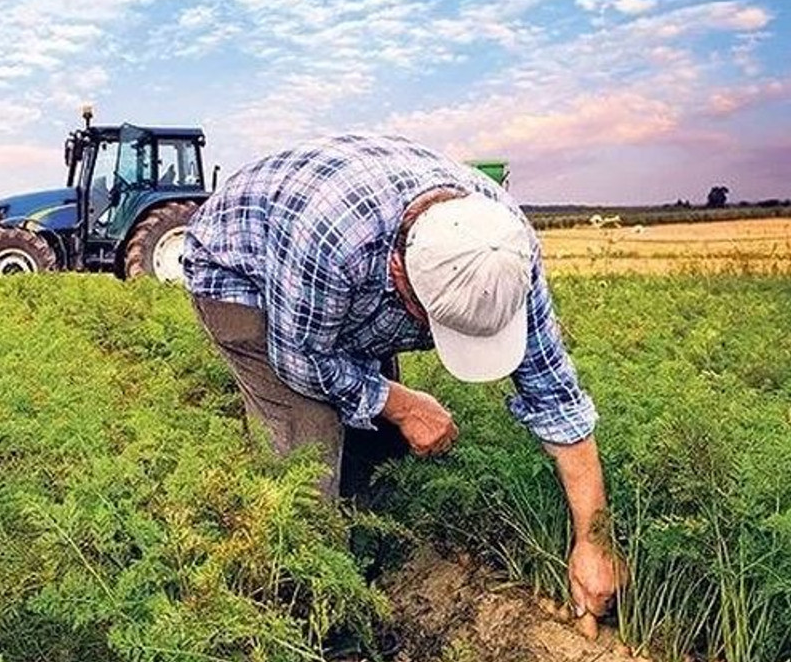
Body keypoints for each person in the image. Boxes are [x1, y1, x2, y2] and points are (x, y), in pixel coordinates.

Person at [182, 133, 620, 637]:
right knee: (309, 445)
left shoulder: (503, 247)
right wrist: (400, 401)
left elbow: (554, 394)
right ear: (398, 272)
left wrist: (595, 540)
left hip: (340, 281)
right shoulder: (330, 241)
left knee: (379, 443)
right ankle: (310, 615)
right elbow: (300, 360)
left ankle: (375, 567)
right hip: (244, 277)